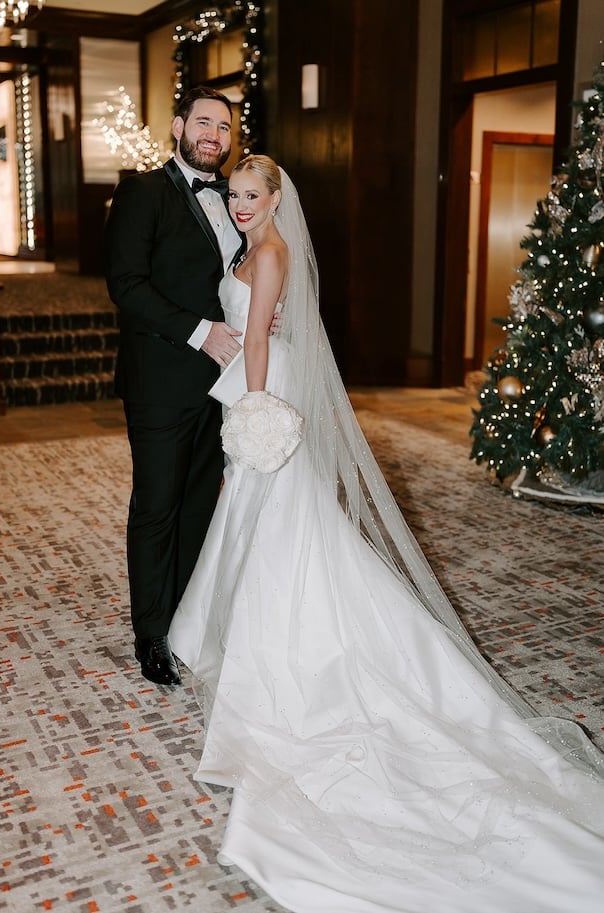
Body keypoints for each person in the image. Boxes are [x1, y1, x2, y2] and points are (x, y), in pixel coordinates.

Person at [168, 155, 604, 913]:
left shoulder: (268, 252)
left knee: (278, 523)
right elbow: (258, 324)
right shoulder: (251, 246)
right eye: (234, 196)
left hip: (262, 397)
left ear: (275, 199)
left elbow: (265, 343)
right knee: (268, 522)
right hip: (254, 388)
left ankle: (290, 654)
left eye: (251, 195)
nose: (240, 206)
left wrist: (256, 414)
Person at [104, 87, 243, 686]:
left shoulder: (237, 198)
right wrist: (197, 332)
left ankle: (186, 617)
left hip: (223, 381)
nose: (214, 135)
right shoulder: (142, 191)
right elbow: (126, 285)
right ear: (179, 125)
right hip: (161, 377)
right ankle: (152, 635)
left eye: (225, 127)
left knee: (200, 504)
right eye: (204, 123)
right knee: (157, 506)